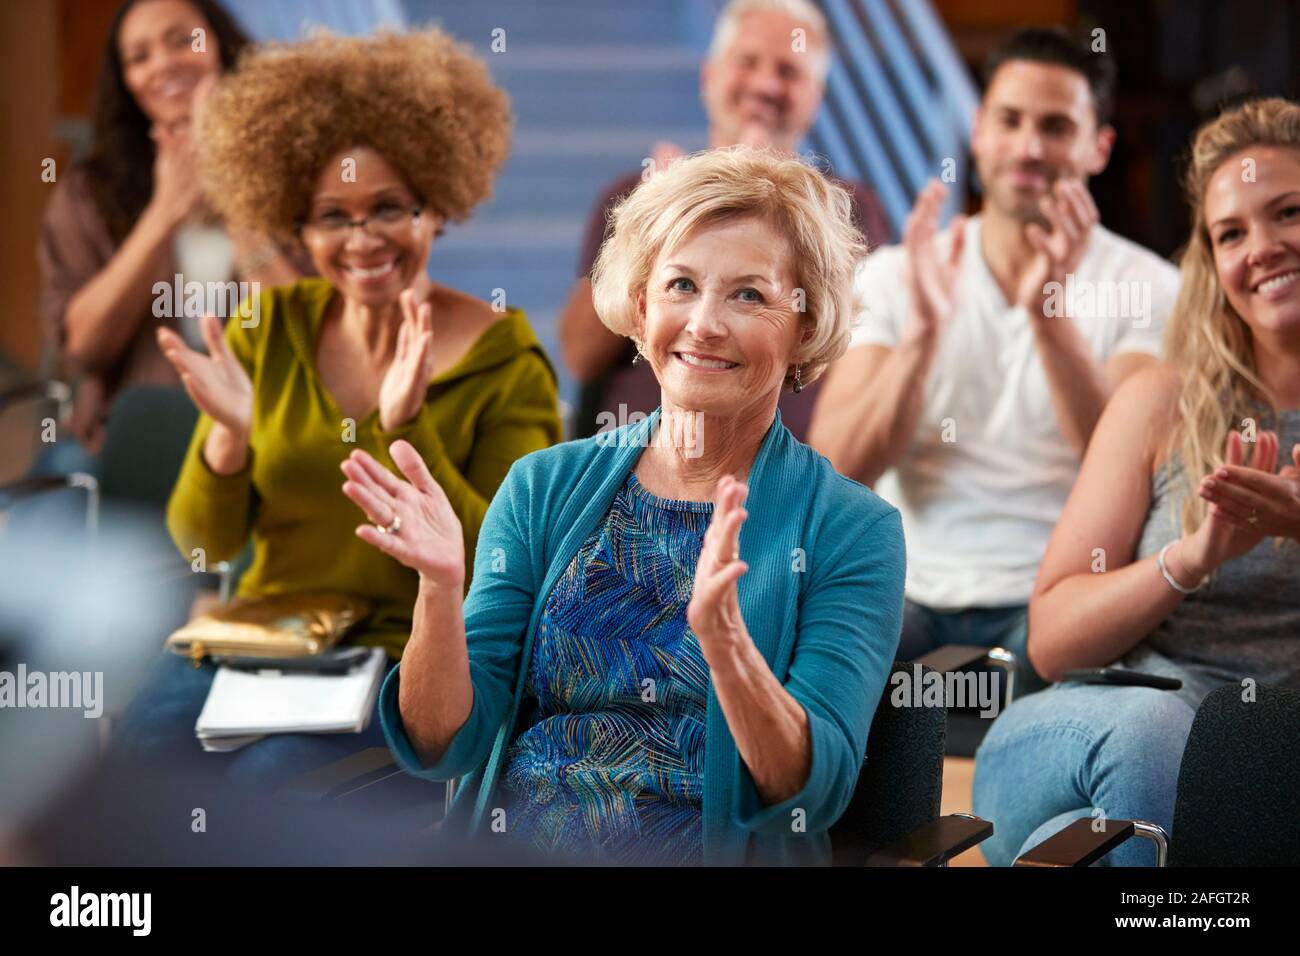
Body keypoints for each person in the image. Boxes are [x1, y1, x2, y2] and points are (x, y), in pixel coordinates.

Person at [345, 148, 905, 865]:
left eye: (749, 295)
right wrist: (438, 592)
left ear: (805, 326)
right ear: (640, 309)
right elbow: (442, 745)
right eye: (681, 285)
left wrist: (728, 650)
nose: (704, 323)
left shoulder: (853, 530)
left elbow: (811, 792)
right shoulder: (541, 487)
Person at [111, 28, 562, 783]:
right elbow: (205, 544)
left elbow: (506, 566)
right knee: (129, 772)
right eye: (332, 216)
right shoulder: (269, 330)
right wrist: (228, 439)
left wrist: (405, 426)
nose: (363, 239)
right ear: (298, 224)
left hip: (400, 655)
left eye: (391, 207)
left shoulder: (506, 364)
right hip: (256, 636)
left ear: (436, 207)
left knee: (263, 791)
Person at [973, 97, 1300, 866]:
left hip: (1260, 770)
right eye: (1231, 233)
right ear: (1212, 264)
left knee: (1117, 841)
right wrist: (1188, 560)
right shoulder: (1160, 401)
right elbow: (1051, 640)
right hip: (1108, 725)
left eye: (1288, 212)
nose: (1263, 247)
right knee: (1164, 749)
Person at [809, 28, 1181, 677]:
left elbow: (1131, 471)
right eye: (1010, 120)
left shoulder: (1152, 288)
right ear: (978, 130)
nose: (1029, 147)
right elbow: (837, 470)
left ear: (1100, 147)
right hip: (907, 596)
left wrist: (1050, 320)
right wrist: (921, 340)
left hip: (1056, 602)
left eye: (1056, 127)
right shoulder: (897, 275)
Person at [558, 0, 891, 442]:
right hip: (639, 463)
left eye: (789, 72)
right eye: (748, 63)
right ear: (709, 77)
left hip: (789, 479)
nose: (766, 84)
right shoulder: (637, 194)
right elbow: (580, 357)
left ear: (815, 98)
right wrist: (647, 232)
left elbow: (865, 361)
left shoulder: (850, 210)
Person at [35, 0, 301, 477]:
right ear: (126, 82)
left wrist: (232, 194)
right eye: (139, 57)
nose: (164, 64)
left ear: (221, 47)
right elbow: (82, 348)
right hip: (120, 445)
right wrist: (164, 213)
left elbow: (309, 335)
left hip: (270, 440)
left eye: (183, 40)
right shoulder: (87, 193)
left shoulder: (296, 175)